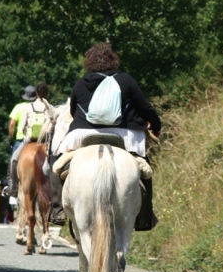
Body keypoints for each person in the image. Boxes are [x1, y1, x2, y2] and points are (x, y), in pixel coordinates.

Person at [59, 42, 162, 231]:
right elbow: (145, 107)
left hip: (84, 134)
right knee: (145, 172)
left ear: (89, 62)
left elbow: (73, 110)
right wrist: (156, 126)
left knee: (57, 167)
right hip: (125, 135)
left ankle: (59, 209)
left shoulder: (81, 82)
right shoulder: (126, 80)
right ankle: (145, 216)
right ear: (114, 60)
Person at [6, 85, 38, 198]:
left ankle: (12, 187)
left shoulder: (19, 107)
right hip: (39, 139)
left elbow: (11, 124)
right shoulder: (39, 106)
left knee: (13, 160)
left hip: (22, 140)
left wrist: (10, 138)